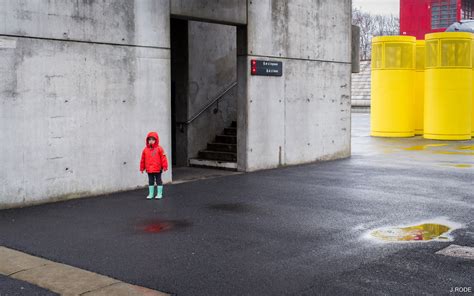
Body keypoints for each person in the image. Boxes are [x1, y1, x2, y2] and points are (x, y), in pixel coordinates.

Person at [140, 132, 168, 199]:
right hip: (149, 169)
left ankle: (159, 194)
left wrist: (165, 166)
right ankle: (151, 194)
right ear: (147, 141)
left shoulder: (159, 149)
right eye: (149, 140)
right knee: (150, 181)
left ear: (156, 140)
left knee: (159, 181)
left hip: (158, 169)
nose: (151, 141)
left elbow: (163, 158)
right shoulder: (145, 150)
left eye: (153, 139)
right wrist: (142, 168)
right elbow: (143, 159)